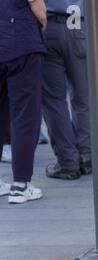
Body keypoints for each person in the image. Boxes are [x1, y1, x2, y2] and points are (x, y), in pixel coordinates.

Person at [0, 0, 46, 203]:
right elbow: (38, 7)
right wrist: (41, 22)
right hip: (20, 39)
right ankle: (20, 185)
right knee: (25, 114)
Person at [42, 0, 91, 180]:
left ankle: (68, 162)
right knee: (84, 97)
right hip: (81, 24)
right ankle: (87, 155)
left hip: (51, 24)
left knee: (53, 100)